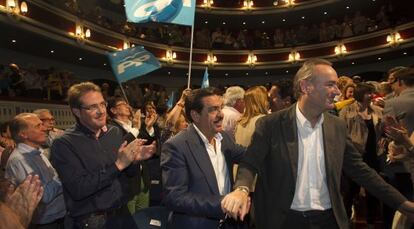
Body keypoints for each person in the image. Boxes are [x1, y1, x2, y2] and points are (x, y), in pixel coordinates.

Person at [221, 58, 414, 229]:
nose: (337, 92)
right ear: (306, 87)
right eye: (330, 85)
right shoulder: (271, 124)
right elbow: (250, 163)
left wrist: (402, 204)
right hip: (282, 220)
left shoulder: (337, 126)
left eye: (337, 85)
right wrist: (242, 189)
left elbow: (361, 171)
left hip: (328, 219)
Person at [50, 82, 156, 229]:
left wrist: (133, 161)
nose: (101, 111)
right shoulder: (63, 144)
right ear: (77, 111)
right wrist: (119, 165)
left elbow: (126, 175)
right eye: (92, 107)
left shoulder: (114, 133)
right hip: (92, 221)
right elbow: (79, 189)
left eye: (102, 104)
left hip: (121, 212)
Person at [161, 87, 246, 229]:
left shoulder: (223, 138)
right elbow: (175, 197)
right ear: (195, 115)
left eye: (221, 108)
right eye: (213, 110)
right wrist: (223, 203)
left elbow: (248, 155)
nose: (221, 115)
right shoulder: (177, 146)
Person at [5, 113, 66, 228]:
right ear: (23, 134)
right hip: (47, 223)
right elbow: (43, 196)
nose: (45, 129)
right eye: (38, 126)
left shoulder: (37, 152)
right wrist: (65, 172)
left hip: (59, 217)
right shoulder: (19, 160)